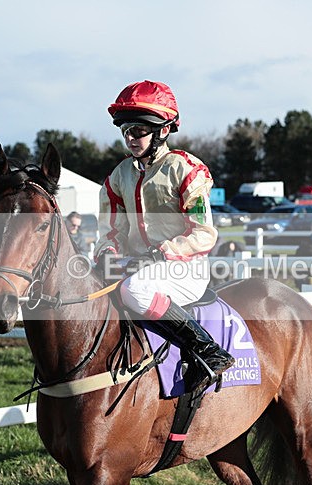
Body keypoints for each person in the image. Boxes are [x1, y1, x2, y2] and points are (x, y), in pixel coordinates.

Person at [94, 80, 234, 394]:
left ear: (163, 131)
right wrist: (106, 252)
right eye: (126, 130)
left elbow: (203, 233)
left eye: (139, 130)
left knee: (136, 290)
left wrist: (162, 252)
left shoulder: (185, 169)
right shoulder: (119, 176)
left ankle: (208, 350)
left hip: (183, 268)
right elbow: (111, 230)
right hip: (134, 265)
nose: (131, 137)